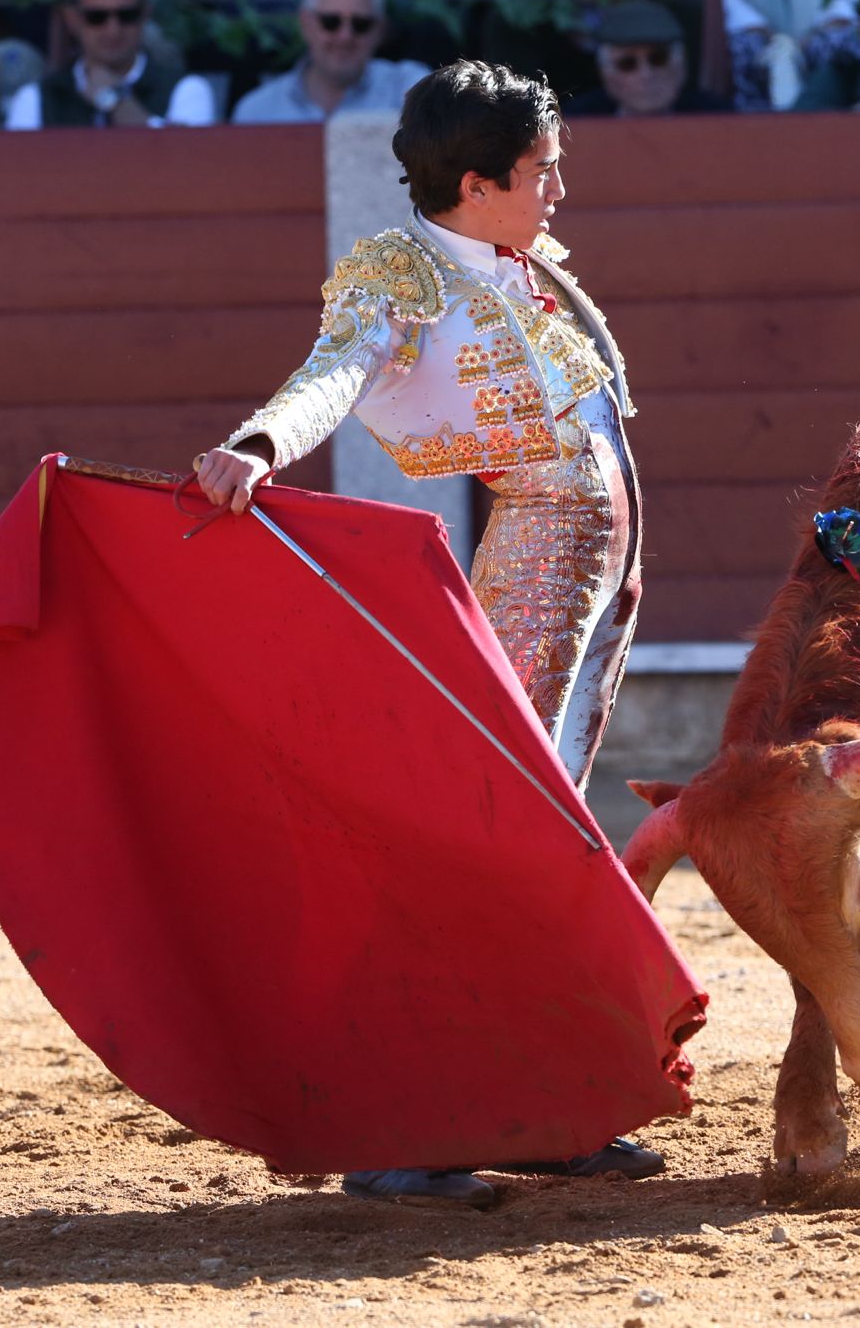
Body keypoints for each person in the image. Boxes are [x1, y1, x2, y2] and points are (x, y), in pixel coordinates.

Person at [193, 60, 659, 1208]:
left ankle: (537, 1107)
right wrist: (258, 445)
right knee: (496, 835)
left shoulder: (517, 263)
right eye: (541, 169)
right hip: (543, 563)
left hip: (596, 580)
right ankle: (402, 1113)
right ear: (477, 182)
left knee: (543, 843)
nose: (559, 187)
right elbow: (334, 373)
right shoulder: (399, 273)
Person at [3, 0, 218, 129]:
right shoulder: (35, 99)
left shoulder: (187, 90)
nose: (113, 29)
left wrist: (115, 100)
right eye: (96, 17)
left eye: (127, 15)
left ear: (145, 14)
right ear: (72, 19)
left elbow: (186, 162)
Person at [232, 0, 427, 122]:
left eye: (361, 24)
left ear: (379, 30)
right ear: (306, 24)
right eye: (330, 22)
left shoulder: (410, 92)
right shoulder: (257, 111)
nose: (345, 36)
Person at [565, 0, 733, 115]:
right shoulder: (574, 124)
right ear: (605, 73)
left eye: (658, 59)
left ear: (681, 66)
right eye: (627, 63)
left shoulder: (720, 118)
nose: (646, 74)